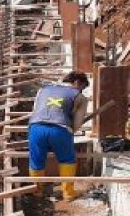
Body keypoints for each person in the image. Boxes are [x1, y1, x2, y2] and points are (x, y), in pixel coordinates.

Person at [28, 71, 90, 201]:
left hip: (36, 127)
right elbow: (77, 124)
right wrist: (68, 131)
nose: (82, 91)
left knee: (36, 160)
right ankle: (68, 193)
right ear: (78, 82)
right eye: (83, 87)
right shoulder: (80, 97)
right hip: (60, 129)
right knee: (67, 159)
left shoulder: (43, 89)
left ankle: (37, 191)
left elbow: (35, 110)